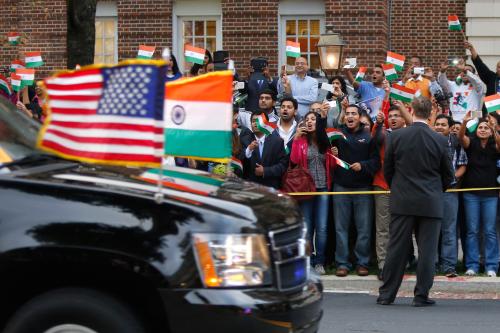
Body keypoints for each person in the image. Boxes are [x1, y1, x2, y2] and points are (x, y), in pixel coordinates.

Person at [377, 96, 453, 307]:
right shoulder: (439, 139)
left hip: (403, 199)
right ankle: (421, 296)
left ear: (411, 110)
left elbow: (388, 169)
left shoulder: (396, 136)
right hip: (431, 201)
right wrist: (437, 191)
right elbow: (448, 173)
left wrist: (397, 188)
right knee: (427, 251)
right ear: (430, 113)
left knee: (396, 249)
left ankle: (386, 295)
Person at [331, 104, 381, 277]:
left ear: (360, 117)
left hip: (363, 189)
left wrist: (363, 166)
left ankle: (362, 263)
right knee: (340, 228)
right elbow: (327, 154)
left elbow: (376, 162)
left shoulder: (369, 136)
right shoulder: (337, 134)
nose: (350, 116)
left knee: (364, 228)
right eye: (347, 113)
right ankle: (343, 263)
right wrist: (332, 151)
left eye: (354, 114)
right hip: (341, 187)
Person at [372, 95, 412, 280]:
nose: (394, 118)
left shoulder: (410, 135)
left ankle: (400, 263)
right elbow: (374, 138)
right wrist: (379, 123)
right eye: (391, 116)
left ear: (404, 117)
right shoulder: (383, 134)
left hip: (404, 189)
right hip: (383, 187)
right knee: (383, 228)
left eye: (397, 115)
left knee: (402, 229)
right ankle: (383, 265)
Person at [290, 109, 335, 274]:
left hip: (323, 187)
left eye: (313, 119)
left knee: (322, 227)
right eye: (307, 119)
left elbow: (331, 167)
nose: (309, 122)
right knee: (307, 228)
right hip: (306, 189)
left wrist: (334, 156)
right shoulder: (300, 141)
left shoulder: (325, 142)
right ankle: (308, 261)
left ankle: (320, 262)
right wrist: (295, 140)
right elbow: (294, 161)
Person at [458, 111, 500, 277]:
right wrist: (464, 123)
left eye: (485, 128)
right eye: (480, 127)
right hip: (471, 194)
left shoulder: (494, 145)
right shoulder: (472, 143)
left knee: (490, 231)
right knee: (472, 231)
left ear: (490, 131)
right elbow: (461, 138)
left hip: (490, 195)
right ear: (476, 131)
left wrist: (494, 129)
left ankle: (491, 266)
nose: (482, 129)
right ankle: (472, 265)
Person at [434, 114, 468, 277]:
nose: (439, 127)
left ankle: (448, 266)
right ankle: (431, 264)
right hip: (431, 192)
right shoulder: (428, 140)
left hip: (450, 192)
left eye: (443, 125)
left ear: (449, 128)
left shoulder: (455, 143)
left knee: (449, 230)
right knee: (430, 230)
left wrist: (451, 177)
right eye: (437, 124)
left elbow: (462, 165)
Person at [242, 111, 288, 189]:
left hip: (271, 188)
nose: (256, 123)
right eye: (253, 121)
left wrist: (265, 171)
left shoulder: (277, 141)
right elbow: (240, 162)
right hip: (250, 188)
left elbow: (283, 165)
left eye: (259, 121)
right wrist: (248, 150)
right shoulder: (244, 140)